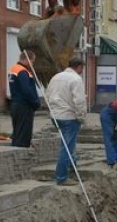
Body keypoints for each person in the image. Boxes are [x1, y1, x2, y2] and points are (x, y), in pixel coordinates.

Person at [46, 57, 87, 185]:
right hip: (69, 116)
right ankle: (61, 177)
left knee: (70, 144)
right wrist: (82, 117)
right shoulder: (76, 79)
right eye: (82, 68)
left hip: (55, 115)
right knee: (67, 148)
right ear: (79, 67)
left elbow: (48, 95)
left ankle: (72, 168)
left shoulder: (56, 77)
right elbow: (79, 101)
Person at [8, 50, 41, 148]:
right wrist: (35, 102)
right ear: (27, 59)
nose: (32, 64)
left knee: (17, 132)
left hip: (15, 104)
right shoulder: (22, 71)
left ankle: (16, 147)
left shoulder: (14, 69)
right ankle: (21, 153)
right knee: (23, 134)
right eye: (32, 61)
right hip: (24, 106)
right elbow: (26, 90)